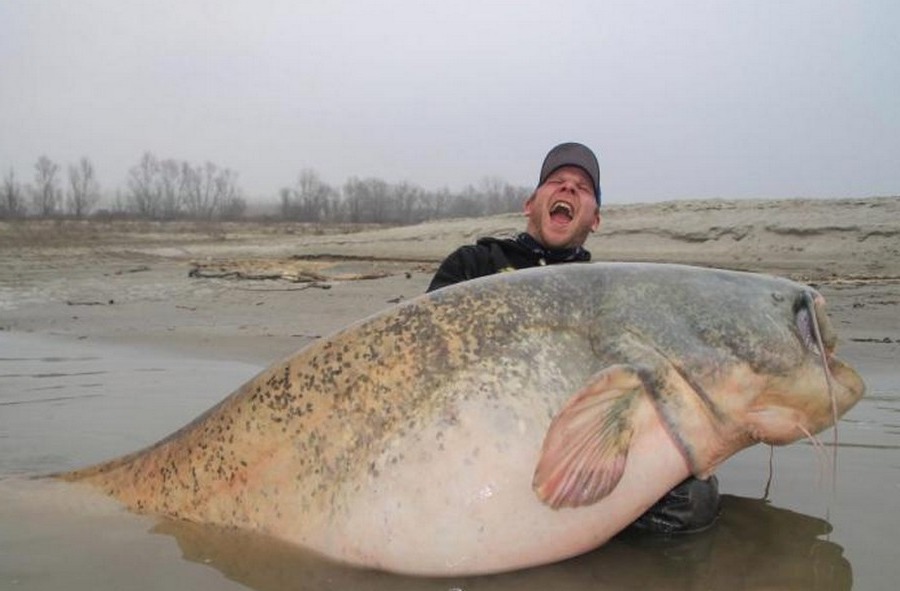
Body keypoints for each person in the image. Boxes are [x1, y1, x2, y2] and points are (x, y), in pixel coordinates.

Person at [427, 142, 720, 534]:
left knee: (694, 501)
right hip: (474, 434)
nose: (568, 189)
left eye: (582, 187)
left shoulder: (610, 294)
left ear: (595, 218)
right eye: (556, 181)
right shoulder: (474, 263)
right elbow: (425, 352)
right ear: (530, 203)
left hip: (575, 443)